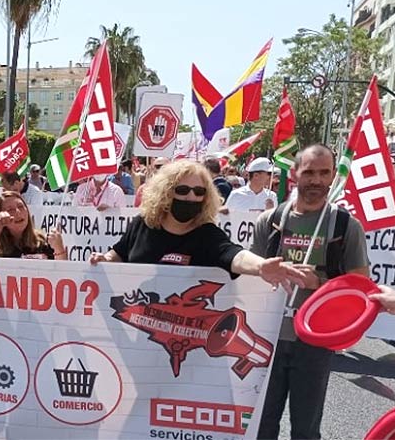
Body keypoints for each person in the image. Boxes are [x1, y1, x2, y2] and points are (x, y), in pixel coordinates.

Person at [251, 144, 369, 440]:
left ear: (332, 176)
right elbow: (249, 273)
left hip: (314, 342)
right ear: (294, 174)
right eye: (309, 172)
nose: (316, 180)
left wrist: (321, 284)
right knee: (260, 426)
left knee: (305, 430)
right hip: (269, 339)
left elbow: (360, 286)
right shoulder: (271, 221)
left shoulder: (345, 225)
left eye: (323, 173)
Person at [89, 160, 307, 291]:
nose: (191, 197)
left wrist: (261, 267)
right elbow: (119, 252)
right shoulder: (143, 225)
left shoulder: (207, 236)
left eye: (199, 192)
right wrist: (104, 259)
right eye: (183, 191)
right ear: (166, 193)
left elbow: (235, 255)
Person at [0, 191, 64, 259]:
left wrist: (59, 248)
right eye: (10, 209)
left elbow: (64, 274)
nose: (18, 212)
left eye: (20, 206)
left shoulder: (44, 241)